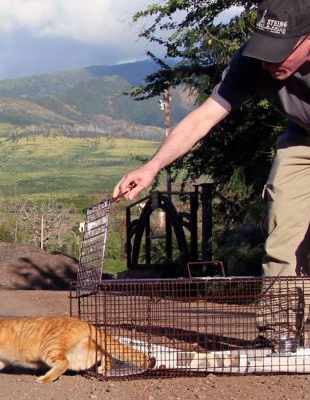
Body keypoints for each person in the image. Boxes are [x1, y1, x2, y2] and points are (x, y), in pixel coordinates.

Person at [113, 0, 310, 347]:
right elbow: (204, 117)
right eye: (265, 48)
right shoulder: (253, 62)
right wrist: (152, 166)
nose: (269, 61)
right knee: (284, 228)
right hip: (302, 138)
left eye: (280, 52)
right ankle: (280, 333)